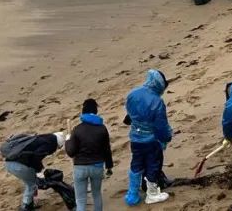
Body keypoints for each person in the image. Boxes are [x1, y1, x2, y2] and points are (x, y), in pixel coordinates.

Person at [124, 69, 172, 205]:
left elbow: (129, 114)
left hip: (135, 138)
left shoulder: (132, 94)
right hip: (151, 140)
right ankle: (151, 193)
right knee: (153, 164)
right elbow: (161, 125)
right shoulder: (157, 101)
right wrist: (166, 137)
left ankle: (132, 193)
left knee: (136, 164)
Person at [66, 99, 114, 211]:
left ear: (83, 112)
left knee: (81, 200)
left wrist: (68, 140)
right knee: (96, 195)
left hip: (80, 167)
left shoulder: (77, 129)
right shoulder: (102, 129)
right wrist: (109, 166)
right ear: (96, 111)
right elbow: (107, 150)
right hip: (97, 167)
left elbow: (71, 152)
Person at [3, 132, 65, 211]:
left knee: (30, 181)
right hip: (19, 165)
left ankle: (31, 203)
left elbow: (34, 157)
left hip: (9, 163)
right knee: (32, 184)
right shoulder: (50, 144)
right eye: (58, 147)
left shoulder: (41, 138)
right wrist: (39, 172)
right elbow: (36, 157)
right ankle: (26, 206)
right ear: (58, 143)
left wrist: (39, 169)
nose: (57, 149)